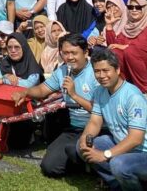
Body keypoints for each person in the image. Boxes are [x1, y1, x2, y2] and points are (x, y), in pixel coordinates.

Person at [77, 49, 147, 190]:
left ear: (118, 70)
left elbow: (135, 139)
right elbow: (95, 122)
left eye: (106, 70)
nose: (101, 76)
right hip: (124, 147)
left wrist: (104, 155)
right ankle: (117, 185)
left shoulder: (133, 96)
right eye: (97, 71)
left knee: (118, 164)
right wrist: (85, 138)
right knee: (82, 147)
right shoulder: (100, 91)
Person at [12, 33, 98, 180]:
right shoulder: (63, 71)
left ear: (86, 52)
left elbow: (101, 110)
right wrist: (25, 92)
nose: (69, 57)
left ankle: (91, 161)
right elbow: (42, 90)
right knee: (49, 167)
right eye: (65, 53)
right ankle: (84, 162)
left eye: (74, 53)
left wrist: (74, 95)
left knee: (80, 150)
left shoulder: (98, 72)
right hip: (75, 129)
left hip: (99, 129)